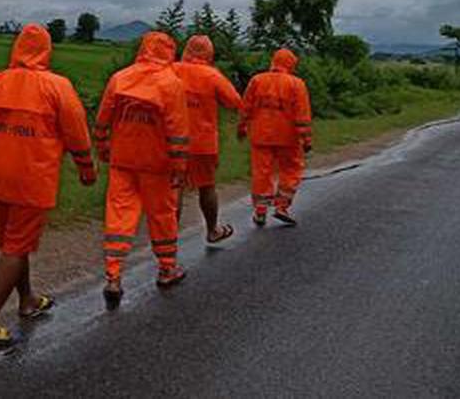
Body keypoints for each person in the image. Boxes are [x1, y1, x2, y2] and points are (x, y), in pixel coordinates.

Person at [0, 23, 95, 349]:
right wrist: (86, 168)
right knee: (16, 247)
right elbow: (77, 132)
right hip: (32, 177)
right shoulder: (57, 86)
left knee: (13, 242)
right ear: (46, 50)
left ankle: (27, 300)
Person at [94, 31, 191, 308]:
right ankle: (167, 269)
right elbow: (177, 131)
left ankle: (113, 277)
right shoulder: (171, 83)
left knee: (119, 216)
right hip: (156, 163)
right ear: (168, 52)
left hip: (122, 159)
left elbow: (103, 119)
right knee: (162, 215)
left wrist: (102, 148)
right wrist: (179, 166)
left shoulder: (120, 78)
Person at [173, 35, 243, 243]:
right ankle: (213, 230)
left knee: (174, 188)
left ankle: (168, 239)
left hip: (173, 141)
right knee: (207, 186)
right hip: (203, 143)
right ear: (209, 53)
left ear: (187, 50)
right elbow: (234, 102)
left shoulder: (171, 69)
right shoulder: (212, 76)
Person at [238, 48, 313, 226]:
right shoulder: (296, 84)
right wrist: (307, 139)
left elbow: (245, 106)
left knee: (261, 173)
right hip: (288, 138)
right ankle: (282, 207)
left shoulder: (257, 80)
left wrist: (241, 127)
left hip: (261, 136)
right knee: (291, 170)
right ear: (291, 64)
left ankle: (260, 211)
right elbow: (302, 115)